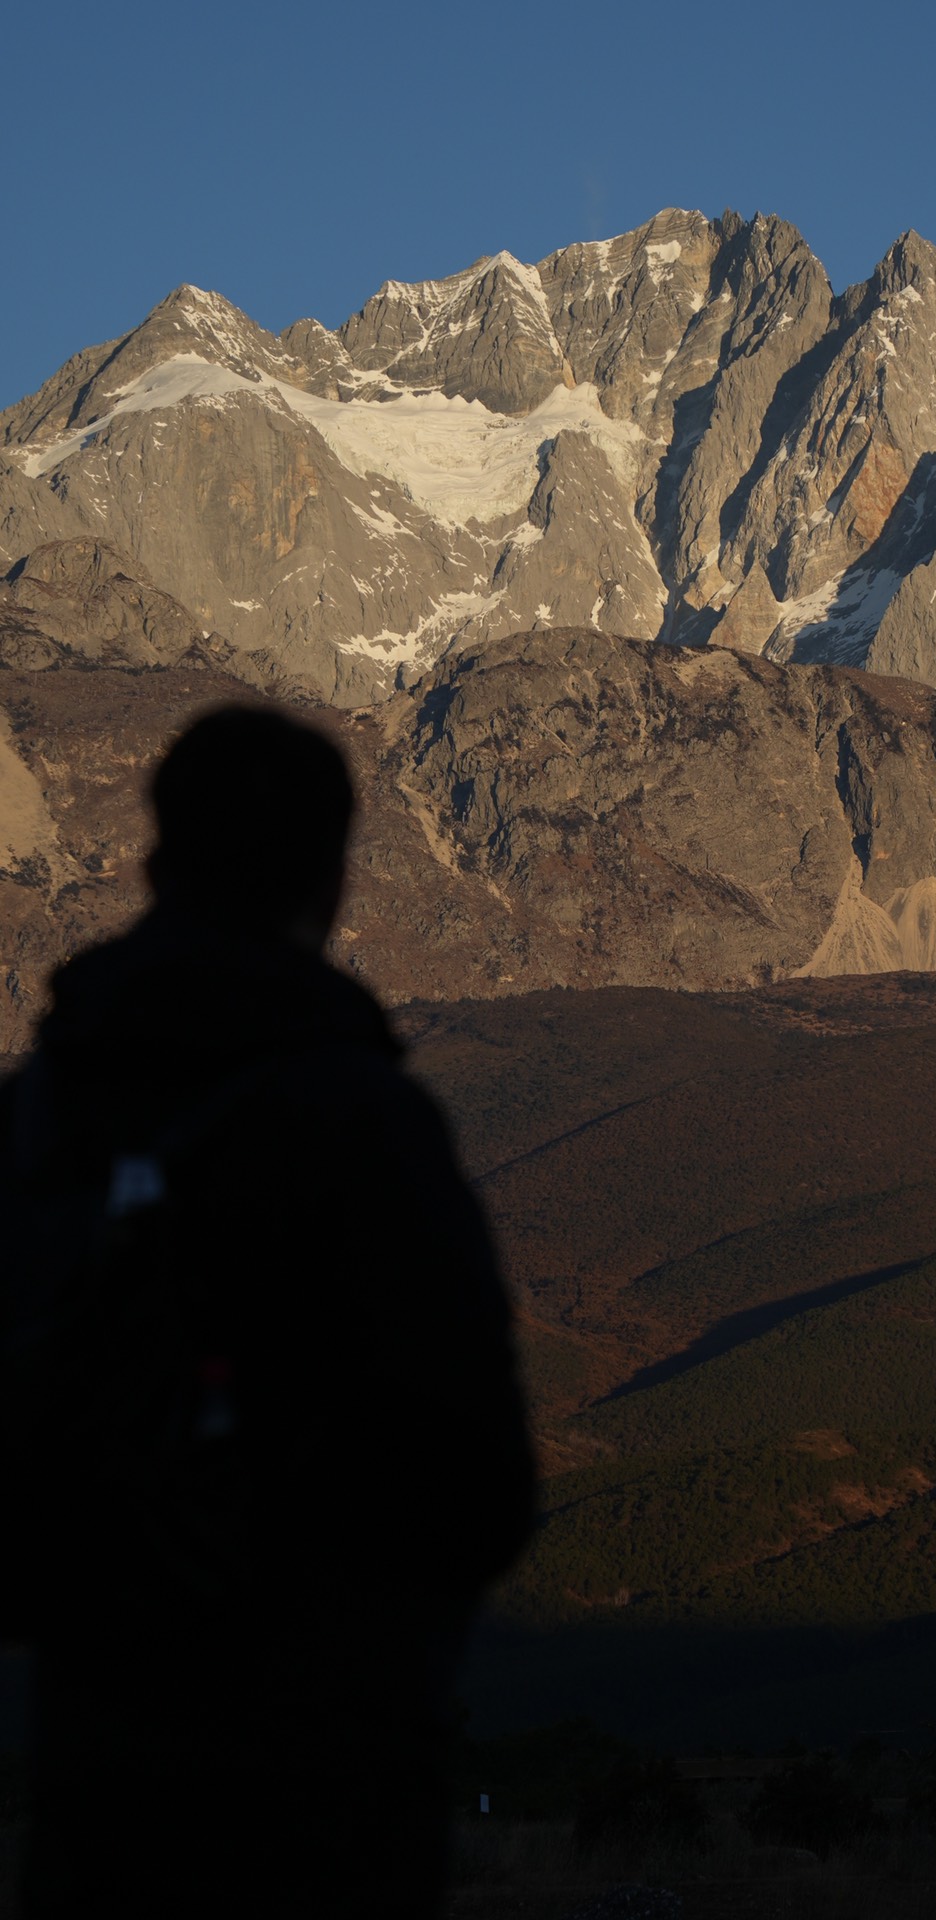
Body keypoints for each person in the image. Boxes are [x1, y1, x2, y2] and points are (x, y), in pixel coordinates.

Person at [0, 704, 535, 1918]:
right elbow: (482, 1486)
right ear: (336, 875)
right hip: (327, 1799)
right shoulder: (360, 1120)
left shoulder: (34, 1119)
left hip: (95, 1782)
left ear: (151, 863)